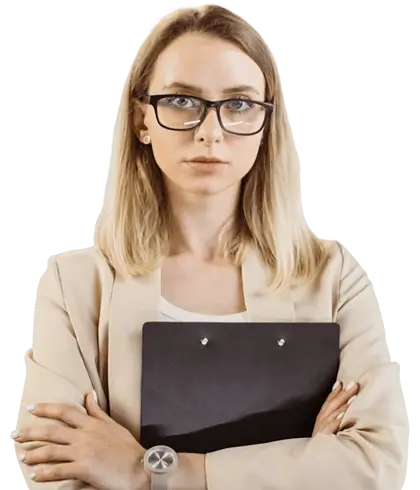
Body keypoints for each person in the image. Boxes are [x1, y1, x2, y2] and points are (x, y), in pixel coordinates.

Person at [13, 3, 407, 490]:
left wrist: (146, 470)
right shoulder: (75, 287)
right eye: (182, 100)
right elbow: (55, 475)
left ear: (266, 123)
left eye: (238, 104)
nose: (210, 131)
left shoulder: (332, 276)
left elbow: (377, 465)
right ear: (141, 120)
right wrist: (304, 461)